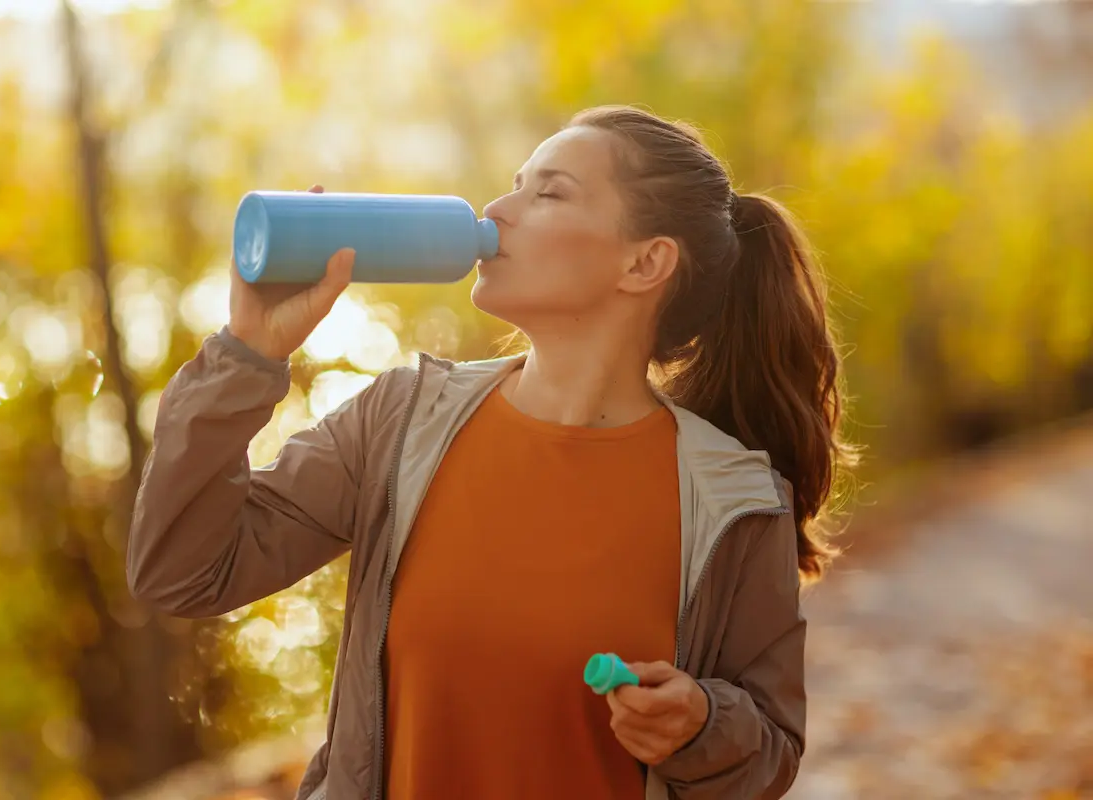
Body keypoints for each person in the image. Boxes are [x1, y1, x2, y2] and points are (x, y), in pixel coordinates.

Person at [127, 104, 852, 800]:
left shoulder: (733, 498)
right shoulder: (403, 421)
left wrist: (699, 723)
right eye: (513, 186)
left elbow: (770, 756)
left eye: (549, 193)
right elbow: (183, 572)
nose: (499, 211)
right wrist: (246, 354)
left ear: (644, 263)